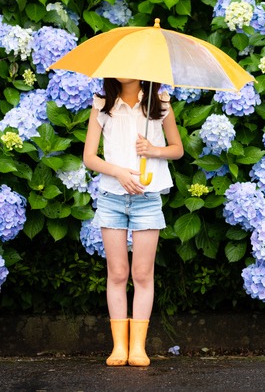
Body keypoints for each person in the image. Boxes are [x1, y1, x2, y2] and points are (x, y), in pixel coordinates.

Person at [84, 78, 183, 366]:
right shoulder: (102, 104)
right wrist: (118, 172)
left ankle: (138, 348)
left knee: (142, 274)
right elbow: (89, 157)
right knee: (117, 273)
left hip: (148, 198)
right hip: (112, 198)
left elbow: (177, 149)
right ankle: (119, 348)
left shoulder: (160, 102)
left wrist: (154, 150)